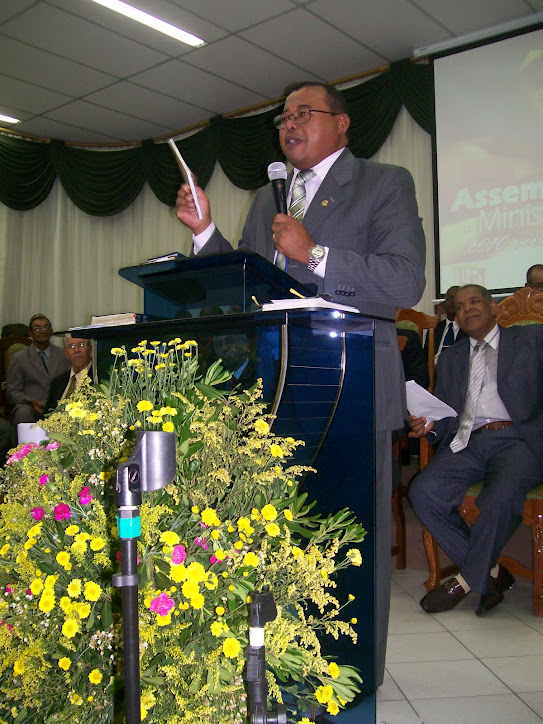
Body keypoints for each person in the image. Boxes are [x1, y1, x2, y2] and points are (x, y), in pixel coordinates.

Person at [176, 80, 426, 688]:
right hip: (277, 387)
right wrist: (206, 235)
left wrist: (316, 255)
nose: (289, 124)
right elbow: (248, 283)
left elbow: (404, 283)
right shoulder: (268, 199)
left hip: (355, 383)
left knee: (348, 538)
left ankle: (353, 673)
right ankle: (288, 665)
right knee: (280, 534)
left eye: (303, 113)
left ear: (342, 123)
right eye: (283, 116)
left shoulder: (385, 182)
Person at [408, 284, 543, 616]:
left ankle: (464, 582)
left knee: (500, 497)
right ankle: (492, 573)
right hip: (467, 441)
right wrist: (431, 425)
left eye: (474, 302)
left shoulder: (531, 339)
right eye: (460, 306)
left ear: (493, 307)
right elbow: (448, 415)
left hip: (517, 440)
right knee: (424, 491)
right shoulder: (451, 357)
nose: (466, 309)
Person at [6, 314, 71, 444]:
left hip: (57, 407)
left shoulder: (63, 354)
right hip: (32, 408)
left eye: (46, 327)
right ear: (30, 333)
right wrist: (30, 402)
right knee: (22, 412)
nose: (43, 331)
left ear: (51, 331)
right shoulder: (19, 358)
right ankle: (21, 456)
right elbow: (12, 392)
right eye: (37, 328)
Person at [45, 336, 93, 413]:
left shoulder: (98, 378)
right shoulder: (57, 382)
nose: (76, 350)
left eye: (81, 345)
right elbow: (45, 416)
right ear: (66, 353)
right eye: (71, 346)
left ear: (90, 349)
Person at [426, 285, 466, 365]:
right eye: (449, 298)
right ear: (444, 303)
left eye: (455, 298)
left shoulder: (468, 328)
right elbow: (425, 357)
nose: (452, 301)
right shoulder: (435, 328)